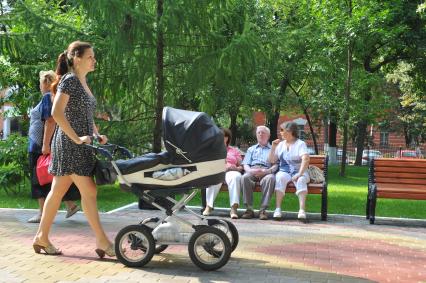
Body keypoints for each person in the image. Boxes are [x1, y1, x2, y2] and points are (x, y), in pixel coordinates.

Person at [33, 41, 114, 258]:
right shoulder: (69, 81)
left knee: (57, 192)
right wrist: (77, 138)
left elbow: (85, 115)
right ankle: (103, 242)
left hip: (81, 144)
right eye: (90, 57)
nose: (94, 60)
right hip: (71, 144)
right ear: (77, 58)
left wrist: (96, 133)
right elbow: (57, 113)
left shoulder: (83, 81)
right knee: (89, 191)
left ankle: (41, 236)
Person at [27, 70, 80, 223]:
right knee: (53, 177)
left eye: (39, 83)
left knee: (39, 179)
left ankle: (42, 214)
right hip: (46, 144)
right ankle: (70, 205)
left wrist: (45, 145)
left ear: (45, 83)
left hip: (39, 146)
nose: (39, 86)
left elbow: (50, 120)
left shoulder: (47, 97)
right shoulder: (54, 97)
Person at [268, 122, 310, 220]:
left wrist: (299, 173)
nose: (280, 132)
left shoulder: (300, 144)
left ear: (290, 131)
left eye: (282, 130)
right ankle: (278, 209)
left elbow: (306, 159)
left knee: (300, 180)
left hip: (299, 171)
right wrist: (273, 147)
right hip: (285, 171)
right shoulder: (280, 145)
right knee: (280, 177)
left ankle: (302, 210)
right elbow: (272, 160)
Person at [202, 128, 243, 219]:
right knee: (213, 178)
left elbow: (242, 166)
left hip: (231, 171)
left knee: (235, 177)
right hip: (218, 171)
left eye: (224, 136)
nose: (221, 138)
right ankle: (209, 206)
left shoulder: (234, 150)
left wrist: (236, 168)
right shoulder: (212, 150)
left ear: (227, 138)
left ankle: (234, 208)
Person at [241, 126, 278, 220]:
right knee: (245, 177)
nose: (261, 134)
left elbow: (276, 165)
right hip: (253, 170)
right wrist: (250, 171)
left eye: (263, 132)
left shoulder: (273, 149)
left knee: (270, 178)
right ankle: (249, 209)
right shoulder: (251, 149)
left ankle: (263, 210)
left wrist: (267, 171)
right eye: (259, 133)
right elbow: (245, 164)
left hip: (266, 170)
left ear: (268, 136)